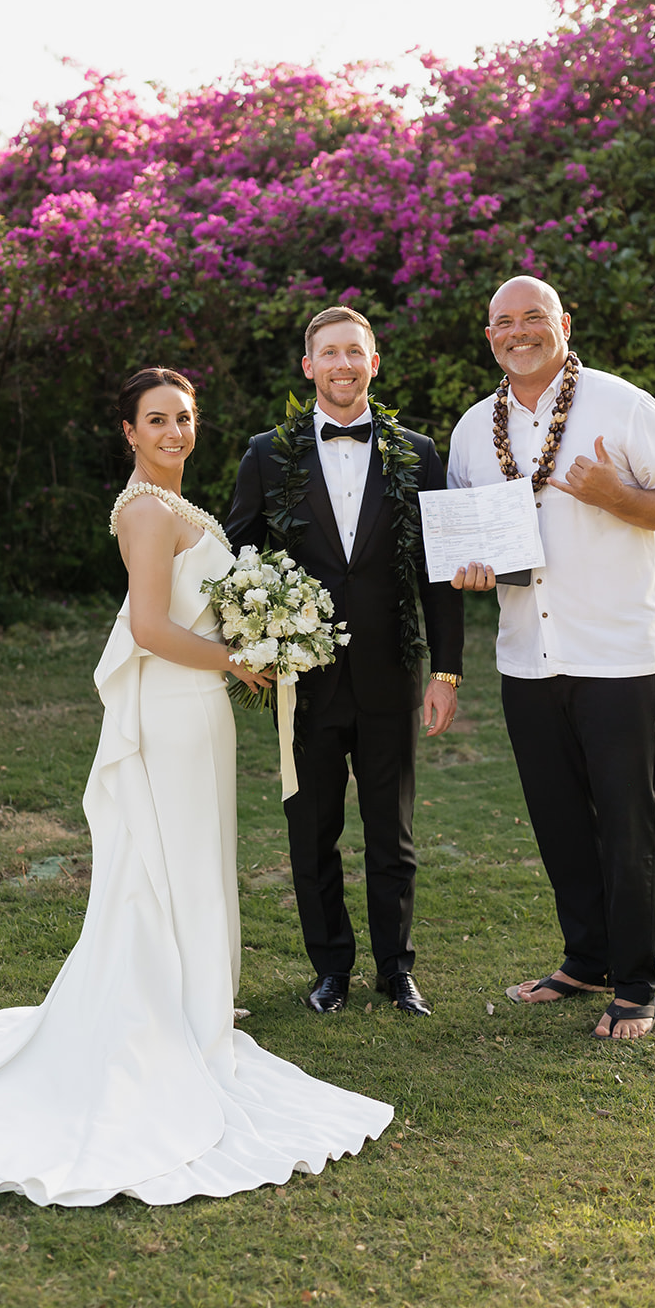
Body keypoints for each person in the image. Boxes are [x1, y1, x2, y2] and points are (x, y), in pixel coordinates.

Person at [0, 367, 393, 1206]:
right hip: (174, 708)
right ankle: (167, 1016)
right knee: (170, 862)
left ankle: (189, 1002)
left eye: (185, 417)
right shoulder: (145, 511)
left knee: (189, 860)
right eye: (157, 420)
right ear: (129, 432)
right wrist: (239, 658)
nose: (175, 431)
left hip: (197, 708)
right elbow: (146, 628)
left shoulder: (176, 505)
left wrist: (257, 631)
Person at [448, 277, 655, 1041]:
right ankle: (585, 960)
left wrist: (616, 496)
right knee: (559, 820)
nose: (519, 331)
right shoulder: (473, 429)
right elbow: (467, 536)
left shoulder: (621, 405)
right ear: (489, 336)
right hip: (526, 655)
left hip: (615, 652)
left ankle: (635, 984)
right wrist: (468, 567)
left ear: (562, 323)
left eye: (534, 317)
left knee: (627, 822)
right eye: (504, 321)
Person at [226, 308, 464, 1018]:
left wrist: (446, 672)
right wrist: (249, 642)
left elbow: (440, 573)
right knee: (312, 834)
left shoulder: (417, 452)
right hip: (305, 682)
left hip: (392, 674)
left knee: (393, 834)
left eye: (354, 352)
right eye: (328, 353)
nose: (342, 364)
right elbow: (234, 558)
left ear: (373, 362)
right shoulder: (267, 454)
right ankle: (330, 968)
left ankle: (396, 970)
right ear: (308, 367)